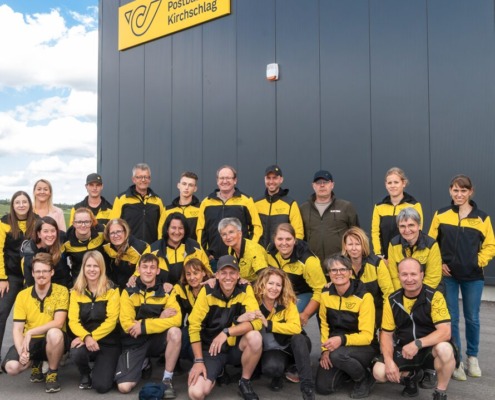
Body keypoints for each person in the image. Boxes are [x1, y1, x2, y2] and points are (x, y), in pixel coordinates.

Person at [428, 174, 495, 381]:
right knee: (452, 318)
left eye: (463, 190)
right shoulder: (441, 214)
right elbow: (430, 243)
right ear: (450, 191)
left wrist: (477, 261)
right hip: (448, 276)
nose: (459, 194)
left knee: (472, 318)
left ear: (470, 192)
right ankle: (456, 360)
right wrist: (439, 263)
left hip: (473, 277)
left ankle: (472, 357)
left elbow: (490, 245)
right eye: (456, 190)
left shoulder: (482, 218)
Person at [372, 258, 457, 400]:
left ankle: (440, 392)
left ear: (422, 275)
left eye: (413, 274)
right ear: (398, 276)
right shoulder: (392, 300)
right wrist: (389, 361)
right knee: (379, 372)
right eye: (404, 274)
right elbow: (386, 334)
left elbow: (445, 332)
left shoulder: (435, 296)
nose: (409, 279)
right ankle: (411, 376)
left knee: (445, 349)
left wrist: (417, 343)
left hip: (429, 349)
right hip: (404, 349)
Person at [187, 255, 263, 400]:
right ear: (217, 275)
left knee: (255, 337)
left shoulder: (245, 289)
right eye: (223, 273)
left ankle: (244, 382)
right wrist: (198, 361)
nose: (228, 277)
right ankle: (217, 372)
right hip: (212, 349)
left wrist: (227, 332)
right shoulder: (207, 291)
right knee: (196, 393)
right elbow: (194, 325)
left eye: (232, 273)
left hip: (235, 347)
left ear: (238, 275)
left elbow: (257, 322)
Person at [115, 253, 182, 398]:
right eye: (145, 267)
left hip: (156, 339)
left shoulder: (166, 291)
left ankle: (167, 379)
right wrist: (159, 318)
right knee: (124, 387)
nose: (148, 271)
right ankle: (144, 363)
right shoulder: (128, 292)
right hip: (135, 341)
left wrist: (144, 325)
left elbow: (177, 319)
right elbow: (127, 324)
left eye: (152, 267)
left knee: (175, 332)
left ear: (158, 271)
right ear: (138, 269)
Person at [1, 253, 69, 393]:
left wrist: (31, 332)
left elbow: (58, 322)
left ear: (52, 272)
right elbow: (17, 329)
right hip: (31, 342)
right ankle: (34, 362)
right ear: (32, 273)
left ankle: (52, 373)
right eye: (37, 271)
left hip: (52, 341)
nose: (41, 275)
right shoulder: (22, 295)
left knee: (54, 333)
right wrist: (22, 352)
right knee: (12, 367)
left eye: (45, 271)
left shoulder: (61, 291)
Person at [315, 255, 376, 398]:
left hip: (364, 346)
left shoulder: (364, 296)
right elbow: (324, 324)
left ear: (350, 272)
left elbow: (367, 336)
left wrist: (341, 340)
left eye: (342, 269)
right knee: (323, 387)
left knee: (338, 356)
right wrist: (325, 350)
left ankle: (364, 378)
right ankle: (347, 369)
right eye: (333, 270)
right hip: (336, 345)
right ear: (329, 274)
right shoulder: (325, 294)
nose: (338, 273)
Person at [252, 267, 315, 400]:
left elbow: (296, 328)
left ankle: (307, 387)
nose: (274, 288)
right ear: (262, 284)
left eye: (278, 285)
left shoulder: (287, 301)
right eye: (270, 283)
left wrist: (269, 324)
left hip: (291, 345)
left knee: (299, 339)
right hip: (273, 349)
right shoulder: (253, 302)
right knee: (271, 368)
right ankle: (284, 370)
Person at [68, 250, 120, 393]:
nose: (92, 270)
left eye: (96, 266)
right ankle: (85, 373)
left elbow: (112, 321)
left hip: (108, 342)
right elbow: (73, 321)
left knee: (102, 386)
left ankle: (106, 367)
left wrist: (92, 337)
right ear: (83, 268)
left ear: (101, 268)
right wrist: (86, 337)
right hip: (86, 339)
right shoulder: (75, 292)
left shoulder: (112, 290)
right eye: (89, 266)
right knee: (76, 352)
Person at [196, 165, 263, 268]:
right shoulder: (206, 202)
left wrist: (246, 251)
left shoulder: (246, 201)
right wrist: (205, 253)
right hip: (213, 260)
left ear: (235, 180)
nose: (224, 181)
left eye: (228, 178)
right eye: (221, 178)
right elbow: (201, 231)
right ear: (217, 181)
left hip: (240, 259)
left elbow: (256, 228)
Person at [0, 191, 37, 366]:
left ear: (29, 204)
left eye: (24, 202)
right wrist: (2, 278)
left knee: (33, 317)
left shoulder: (37, 221)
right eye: (17, 202)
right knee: (2, 312)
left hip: (32, 277)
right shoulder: (4, 223)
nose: (21, 205)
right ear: (12, 205)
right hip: (11, 277)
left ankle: (32, 357)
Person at [266, 223, 326, 325]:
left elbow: (321, 290)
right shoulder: (269, 251)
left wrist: (306, 314)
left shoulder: (309, 260)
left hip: (303, 294)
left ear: (295, 240)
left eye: (288, 239)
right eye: (280, 239)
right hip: (280, 293)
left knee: (287, 320)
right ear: (274, 239)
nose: (284, 243)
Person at [300, 170, 359, 263]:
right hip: (312, 263)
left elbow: (356, 234)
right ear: (313, 186)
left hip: (340, 264)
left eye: (326, 182)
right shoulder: (304, 209)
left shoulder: (345, 206)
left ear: (332, 185)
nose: (322, 185)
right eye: (318, 182)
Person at [341, 227, 394, 330]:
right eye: (350, 244)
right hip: (351, 311)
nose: (354, 248)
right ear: (345, 246)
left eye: (357, 244)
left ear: (363, 245)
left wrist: (386, 322)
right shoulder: (340, 265)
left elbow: (388, 293)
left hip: (376, 311)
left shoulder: (377, 263)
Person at [371, 167, 423, 260]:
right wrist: (378, 254)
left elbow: (417, 231)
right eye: (389, 183)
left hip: (407, 257)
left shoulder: (414, 205)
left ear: (403, 183)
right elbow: (375, 232)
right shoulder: (379, 207)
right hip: (385, 259)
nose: (392, 186)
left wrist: (410, 256)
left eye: (396, 182)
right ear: (386, 185)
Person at [148, 213, 211, 287]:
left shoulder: (195, 247)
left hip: (190, 292)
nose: (177, 232)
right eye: (173, 228)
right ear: (167, 229)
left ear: (185, 230)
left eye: (180, 228)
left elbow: (208, 272)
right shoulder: (153, 249)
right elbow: (140, 274)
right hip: (162, 292)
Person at [388, 208, 442, 291]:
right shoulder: (393, 244)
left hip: (428, 292)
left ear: (419, 226)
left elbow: (433, 277)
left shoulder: (431, 245)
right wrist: (404, 294)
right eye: (402, 226)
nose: (407, 230)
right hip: (403, 293)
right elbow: (394, 276)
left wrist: (416, 295)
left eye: (411, 225)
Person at [110, 163, 166, 244]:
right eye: (139, 177)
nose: (143, 180)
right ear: (133, 179)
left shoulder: (157, 200)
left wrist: (159, 244)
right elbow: (113, 225)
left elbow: (162, 226)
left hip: (151, 248)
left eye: (146, 177)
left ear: (150, 179)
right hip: (128, 248)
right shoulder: (121, 199)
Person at [171, 258, 213, 362]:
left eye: (196, 273)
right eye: (188, 274)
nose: (192, 277)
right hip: (192, 327)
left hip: (211, 329)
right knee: (179, 340)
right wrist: (166, 286)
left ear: (203, 273)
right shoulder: (182, 288)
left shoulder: (212, 286)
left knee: (194, 351)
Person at [255, 165, 304, 247]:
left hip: (281, 252)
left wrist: (292, 250)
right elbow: (251, 229)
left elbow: (298, 232)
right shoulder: (256, 203)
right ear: (264, 179)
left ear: (281, 179)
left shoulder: (290, 204)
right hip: (259, 252)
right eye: (268, 178)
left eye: (274, 178)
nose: (271, 181)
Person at [21, 216, 71, 288]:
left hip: (64, 285)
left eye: (53, 231)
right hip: (41, 288)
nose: (50, 235)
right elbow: (30, 282)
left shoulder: (62, 239)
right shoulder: (29, 254)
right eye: (45, 231)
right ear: (39, 234)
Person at [102, 218, 149, 290]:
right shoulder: (106, 246)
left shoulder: (137, 248)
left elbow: (146, 268)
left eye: (119, 231)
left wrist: (135, 276)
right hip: (117, 282)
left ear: (125, 232)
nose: (116, 235)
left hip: (136, 284)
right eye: (112, 233)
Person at [219, 217, 268, 282]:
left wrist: (248, 284)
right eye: (224, 234)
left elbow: (265, 277)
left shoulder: (253, 250)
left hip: (257, 284)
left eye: (231, 232)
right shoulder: (230, 249)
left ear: (240, 233)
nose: (228, 237)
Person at [63, 207, 105, 282]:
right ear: (74, 224)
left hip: (101, 278)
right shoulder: (66, 240)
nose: (83, 225)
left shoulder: (102, 231)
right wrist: (69, 282)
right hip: (79, 280)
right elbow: (60, 264)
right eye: (79, 222)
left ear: (91, 222)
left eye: (86, 222)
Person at [161, 171, 201, 241]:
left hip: (193, 248)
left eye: (190, 185)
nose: (186, 187)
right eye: (184, 184)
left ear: (195, 189)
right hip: (171, 248)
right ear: (178, 185)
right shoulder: (167, 210)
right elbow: (161, 234)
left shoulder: (201, 209)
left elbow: (203, 234)